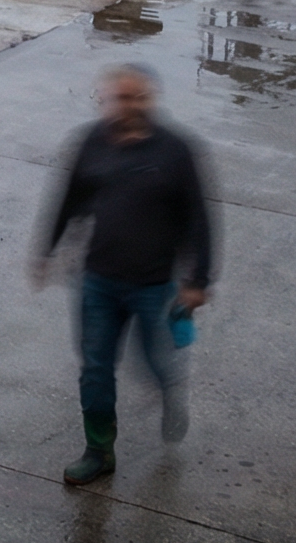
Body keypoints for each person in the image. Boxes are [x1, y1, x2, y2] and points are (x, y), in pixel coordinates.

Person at [32, 62, 216, 485]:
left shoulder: (175, 150)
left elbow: (199, 219)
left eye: (137, 98)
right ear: (108, 99)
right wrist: (46, 250)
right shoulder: (91, 142)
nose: (128, 106)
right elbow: (68, 198)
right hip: (98, 280)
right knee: (95, 367)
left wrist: (198, 281)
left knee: (153, 361)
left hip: (154, 285)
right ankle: (98, 450)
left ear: (150, 100)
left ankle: (170, 388)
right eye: (120, 97)